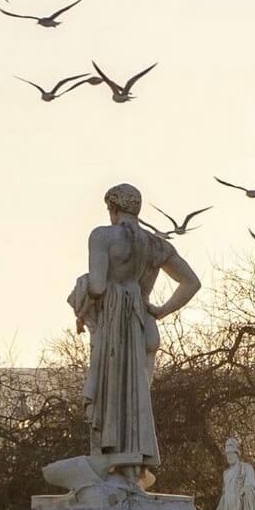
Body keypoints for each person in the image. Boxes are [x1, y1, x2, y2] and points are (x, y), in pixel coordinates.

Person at [67, 183, 201, 487]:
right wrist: (161, 310)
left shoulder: (102, 236)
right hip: (142, 326)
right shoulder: (155, 245)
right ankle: (131, 467)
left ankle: (112, 462)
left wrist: (81, 287)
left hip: (115, 324)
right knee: (137, 396)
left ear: (113, 209)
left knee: (110, 393)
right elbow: (191, 282)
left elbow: (99, 285)